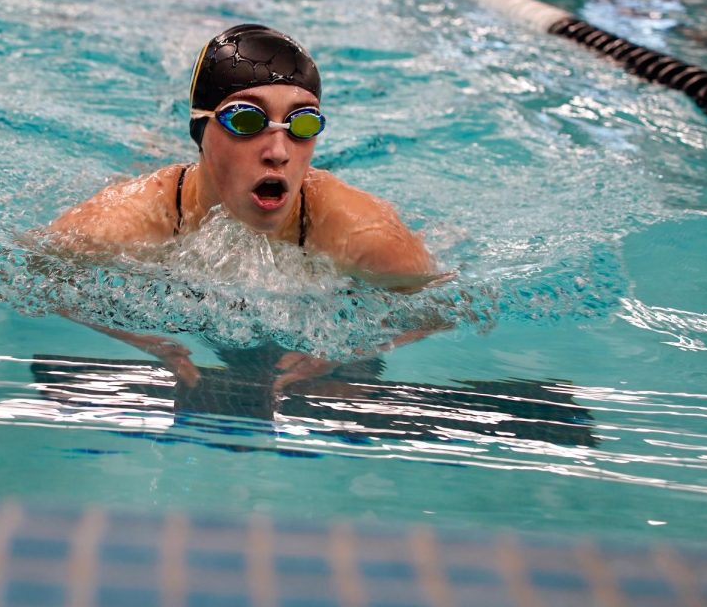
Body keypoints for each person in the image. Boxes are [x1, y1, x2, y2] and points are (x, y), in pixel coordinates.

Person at [35, 23, 443, 390]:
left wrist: (345, 352)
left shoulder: (362, 233)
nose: (279, 151)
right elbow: (28, 272)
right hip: (179, 180)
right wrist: (136, 338)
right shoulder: (118, 222)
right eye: (247, 121)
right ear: (201, 128)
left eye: (302, 124)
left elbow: (440, 306)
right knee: (149, 154)